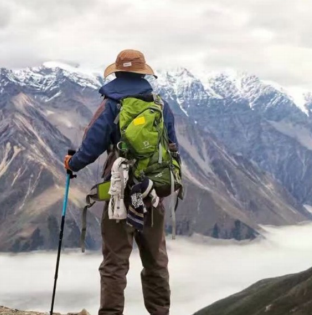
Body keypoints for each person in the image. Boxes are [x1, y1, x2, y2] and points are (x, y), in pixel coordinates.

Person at [64, 49, 178, 315]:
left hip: (120, 194)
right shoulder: (160, 106)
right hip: (153, 193)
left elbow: (91, 146)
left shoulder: (111, 104)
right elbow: (172, 148)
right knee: (156, 261)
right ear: (142, 73)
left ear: (116, 72)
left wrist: (72, 164)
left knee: (115, 263)